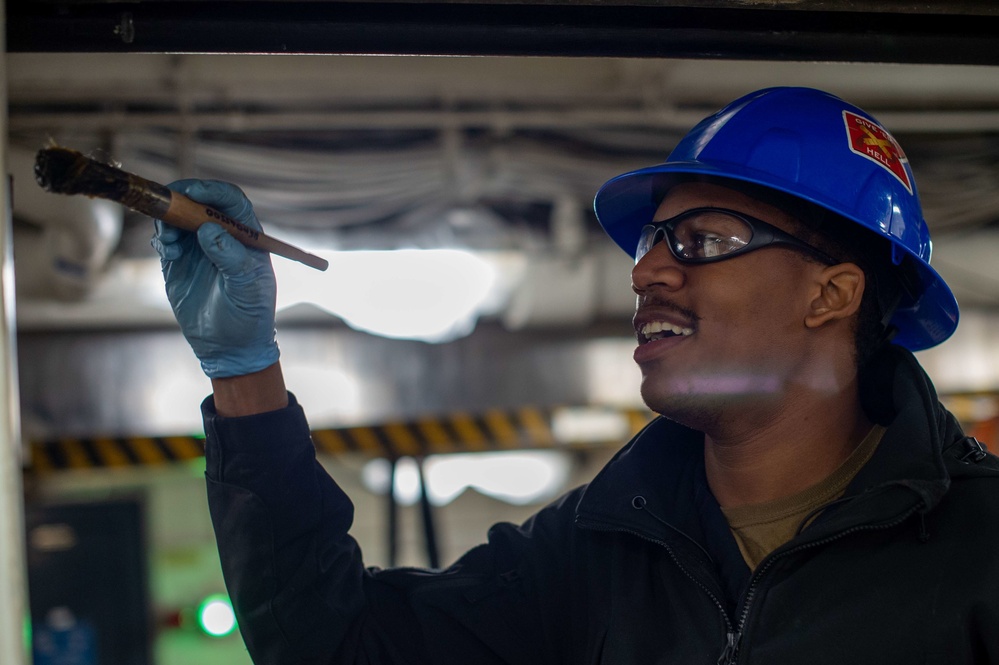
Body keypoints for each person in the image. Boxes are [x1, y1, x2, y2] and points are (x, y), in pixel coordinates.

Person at [152, 87, 999, 664]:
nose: (646, 273)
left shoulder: (978, 548)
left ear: (830, 292)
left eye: (699, 240)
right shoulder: (594, 553)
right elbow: (330, 644)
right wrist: (246, 371)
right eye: (648, 243)